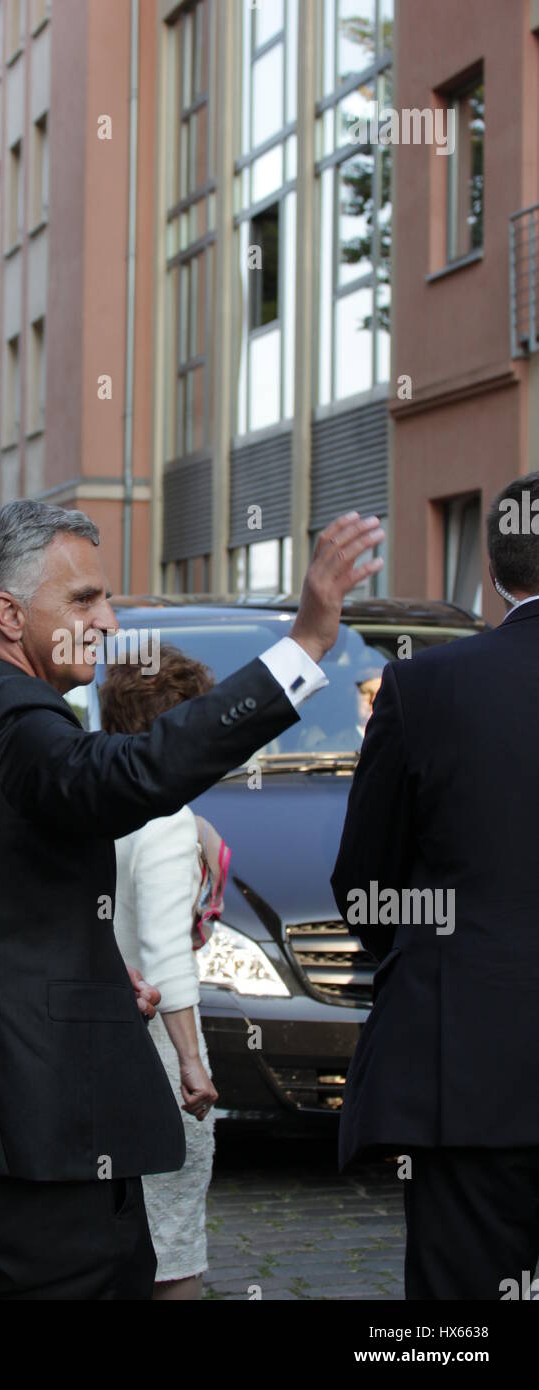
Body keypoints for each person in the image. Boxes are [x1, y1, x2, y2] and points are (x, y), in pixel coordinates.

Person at [0, 499, 383, 1300]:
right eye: (84, 600)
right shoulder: (10, 712)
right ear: (8, 616)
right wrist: (304, 646)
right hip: (24, 1151)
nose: (110, 623)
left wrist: (88, 985)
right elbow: (128, 776)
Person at [332, 470, 539, 1301]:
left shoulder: (425, 685)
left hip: (469, 1070)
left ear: (492, 573)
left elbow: (363, 882)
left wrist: (434, 951)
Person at [102, 646, 218, 1300]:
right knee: (172, 1252)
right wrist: (191, 1063)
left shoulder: (95, 799)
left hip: (90, 1046)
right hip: (156, 1051)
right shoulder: (167, 820)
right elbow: (165, 950)